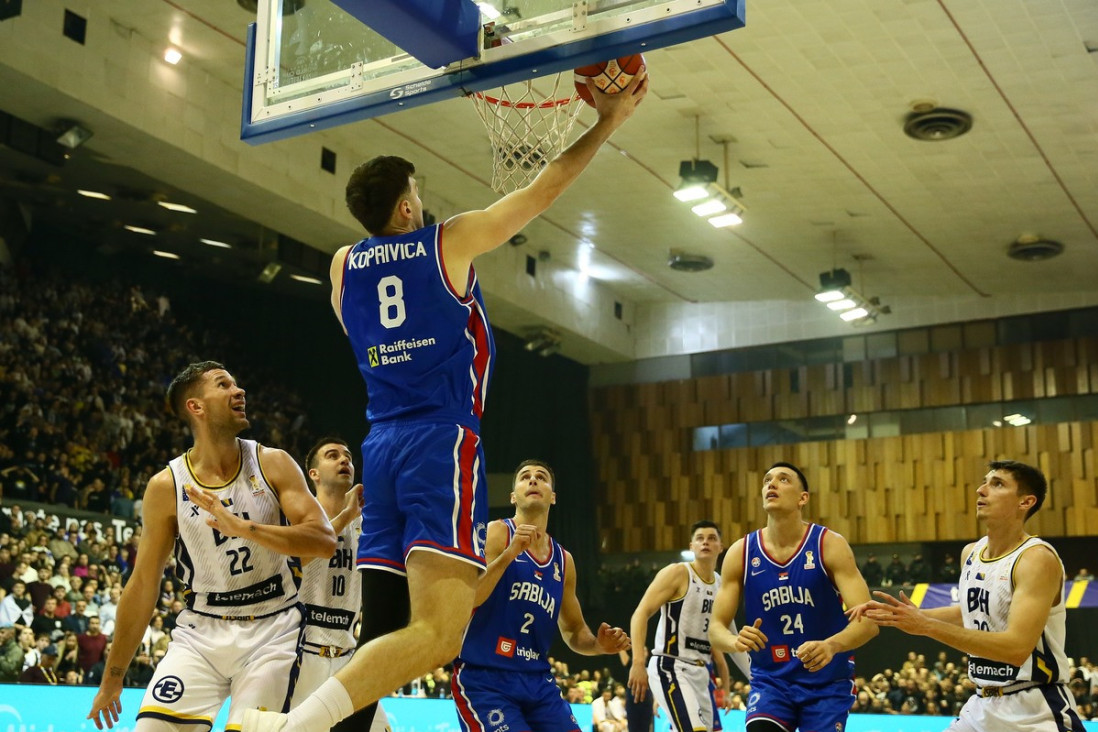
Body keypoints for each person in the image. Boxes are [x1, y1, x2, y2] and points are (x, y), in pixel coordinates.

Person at [243, 70, 648, 732]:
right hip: (441, 441)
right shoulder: (445, 244)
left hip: (383, 443)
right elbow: (542, 192)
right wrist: (605, 122)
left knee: (380, 631)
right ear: (406, 208)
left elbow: (360, 331)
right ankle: (292, 727)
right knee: (440, 634)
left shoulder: (344, 265)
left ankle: (316, 724)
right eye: (417, 195)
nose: (422, 203)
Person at [86, 361, 337, 731]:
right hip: (200, 633)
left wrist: (244, 528)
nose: (240, 391)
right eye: (224, 385)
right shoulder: (165, 486)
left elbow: (324, 540)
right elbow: (142, 586)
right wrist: (113, 677)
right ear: (196, 407)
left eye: (236, 384)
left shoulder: (272, 463)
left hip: (274, 630)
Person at [851, 460, 1085, 731]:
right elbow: (970, 613)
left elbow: (1016, 648)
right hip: (981, 703)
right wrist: (904, 616)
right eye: (984, 482)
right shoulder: (971, 553)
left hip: (1034, 706)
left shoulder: (1036, 559)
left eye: (997, 484)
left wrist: (925, 626)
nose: (981, 490)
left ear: (1026, 502)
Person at [450, 460, 630, 732]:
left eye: (541, 477)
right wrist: (510, 553)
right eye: (524, 477)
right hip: (485, 677)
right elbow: (468, 598)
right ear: (513, 496)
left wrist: (598, 646)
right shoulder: (497, 533)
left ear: (553, 496)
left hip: (538, 682)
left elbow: (573, 629)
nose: (533, 480)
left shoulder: (563, 561)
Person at [708, 462, 877, 732]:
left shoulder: (829, 544)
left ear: (803, 498)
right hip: (771, 681)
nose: (771, 484)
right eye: (767, 481)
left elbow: (868, 622)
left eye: (783, 480)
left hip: (826, 683)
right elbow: (715, 628)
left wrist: (831, 645)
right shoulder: (741, 552)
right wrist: (735, 640)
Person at [290, 438, 389, 732]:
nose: (344, 460)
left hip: (347, 657)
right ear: (314, 474)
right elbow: (293, 562)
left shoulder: (369, 527)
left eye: (348, 456)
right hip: (300, 656)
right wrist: (345, 516)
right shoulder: (297, 517)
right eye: (332, 456)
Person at [628, 520, 749, 732]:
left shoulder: (722, 585)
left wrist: (757, 677)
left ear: (721, 547)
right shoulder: (677, 573)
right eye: (700, 538)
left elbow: (732, 638)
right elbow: (640, 613)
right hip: (671, 666)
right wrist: (638, 662)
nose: (705, 542)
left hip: (702, 674)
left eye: (712, 538)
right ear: (691, 546)